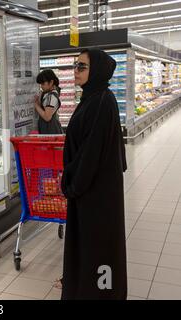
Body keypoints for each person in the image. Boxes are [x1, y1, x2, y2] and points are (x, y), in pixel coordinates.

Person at [60, 48, 128, 300]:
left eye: (81, 67)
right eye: (75, 66)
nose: (75, 71)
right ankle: (87, 289)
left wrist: (72, 185)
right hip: (92, 190)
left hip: (95, 193)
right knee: (91, 247)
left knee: (99, 248)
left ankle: (103, 293)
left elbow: (91, 153)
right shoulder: (94, 97)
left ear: (96, 70)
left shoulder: (100, 101)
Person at [34, 69, 63, 134]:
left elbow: (47, 117)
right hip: (48, 129)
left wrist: (36, 105)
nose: (41, 86)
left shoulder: (51, 96)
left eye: (43, 83)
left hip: (50, 130)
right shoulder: (48, 93)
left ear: (51, 82)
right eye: (40, 84)